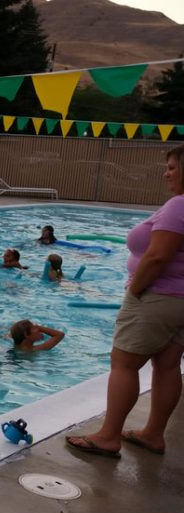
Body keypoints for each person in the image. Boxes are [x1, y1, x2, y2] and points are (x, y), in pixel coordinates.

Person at [67, 144, 184, 458]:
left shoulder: (179, 206)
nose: (166, 173)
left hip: (156, 298)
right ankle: (153, 435)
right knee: (169, 366)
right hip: (180, 302)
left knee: (124, 365)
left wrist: (134, 292)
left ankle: (108, 436)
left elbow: (158, 256)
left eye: (172, 167)